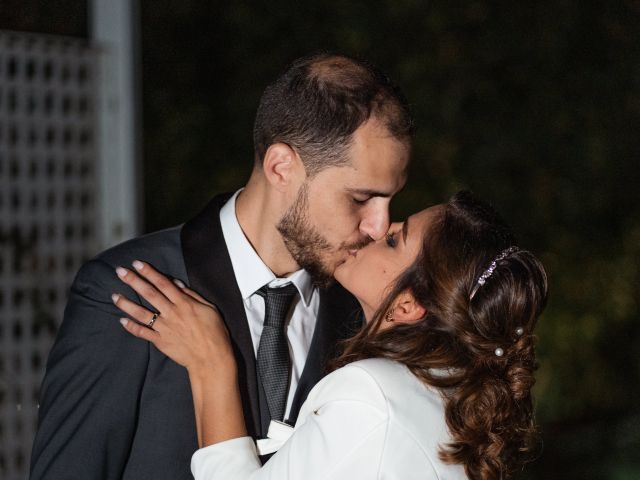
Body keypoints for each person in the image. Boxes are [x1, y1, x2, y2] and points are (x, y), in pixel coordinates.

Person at [30, 53, 414, 479]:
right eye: (361, 198)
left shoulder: (360, 312)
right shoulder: (131, 289)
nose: (379, 225)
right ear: (281, 167)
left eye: (389, 200)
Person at [114, 191, 548, 480]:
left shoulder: (373, 397)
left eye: (396, 240)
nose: (379, 229)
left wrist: (212, 366)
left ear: (407, 305)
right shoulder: (449, 400)